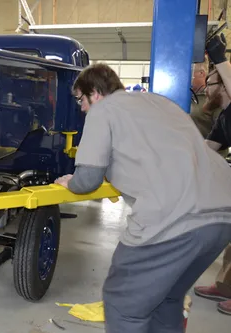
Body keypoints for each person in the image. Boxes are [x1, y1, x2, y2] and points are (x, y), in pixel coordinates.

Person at [54, 61, 231, 332]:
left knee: (123, 305)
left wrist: (71, 183)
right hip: (221, 214)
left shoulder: (103, 112)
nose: (82, 108)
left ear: (95, 93)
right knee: (166, 299)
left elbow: (87, 179)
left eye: (81, 100)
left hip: (174, 217)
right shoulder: (158, 102)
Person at [191, 33, 231, 316]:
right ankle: (226, 286)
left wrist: (219, 58)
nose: (206, 87)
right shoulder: (224, 118)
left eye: (211, 81)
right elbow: (206, 150)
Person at [190, 61, 222, 138]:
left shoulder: (215, 98)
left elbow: (223, 133)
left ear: (201, 73)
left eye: (189, 72)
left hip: (207, 148)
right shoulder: (185, 96)